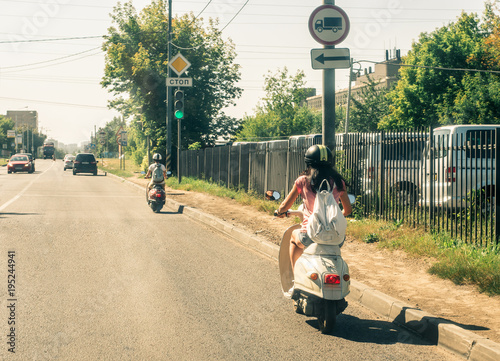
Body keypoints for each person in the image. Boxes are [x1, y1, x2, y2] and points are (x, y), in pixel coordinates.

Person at [276, 144, 352, 273]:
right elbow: (348, 210)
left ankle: (296, 278)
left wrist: (280, 212)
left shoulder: (302, 181)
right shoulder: (339, 182)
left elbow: (284, 206)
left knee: (294, 238)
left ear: (308, 162)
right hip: (336, 238)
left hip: (309, 235)